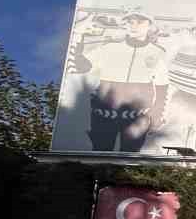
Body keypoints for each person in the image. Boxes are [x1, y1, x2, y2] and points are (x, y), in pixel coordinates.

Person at [71, 9, 169, 152]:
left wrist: (157, 115)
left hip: (137, 118)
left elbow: (162, 86)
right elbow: (82, 66)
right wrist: (78, 35)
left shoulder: (158, 52)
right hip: (103, 116)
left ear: (150, 25)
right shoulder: (110, 48)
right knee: (99, 156)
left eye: (140, 22)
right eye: (130, 22)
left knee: (130, 159)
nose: (134, 26)